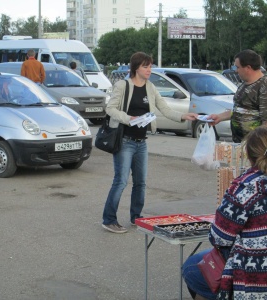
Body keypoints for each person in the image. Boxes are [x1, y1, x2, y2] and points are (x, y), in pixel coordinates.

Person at [101, 52, 198, 234]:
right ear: (136, 67)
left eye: (150, 66)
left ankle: (136, 217)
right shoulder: (123, 85)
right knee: (120, 181)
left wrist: (184, 116)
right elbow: (110, 108)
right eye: (146, 66)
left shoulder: (150, 87)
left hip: (141, 142)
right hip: (125, 141)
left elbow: (165, 109)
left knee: (141, 182)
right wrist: (129, 118)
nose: (149, 70)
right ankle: (109, 219)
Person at [182, 125, 267, 300]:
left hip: (255, 271)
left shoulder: (246, 186)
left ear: (249, 156)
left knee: (192, 268)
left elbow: (220, 237)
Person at [208, 49, 267, 143]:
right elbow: (239, 110)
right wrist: (219, 117)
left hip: (255, 148)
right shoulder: (244, 84)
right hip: (240, 144)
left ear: (248, 67)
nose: (236, 71)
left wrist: (259, 147)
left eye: (237, 67)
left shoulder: (264, 86)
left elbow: (265, 123)